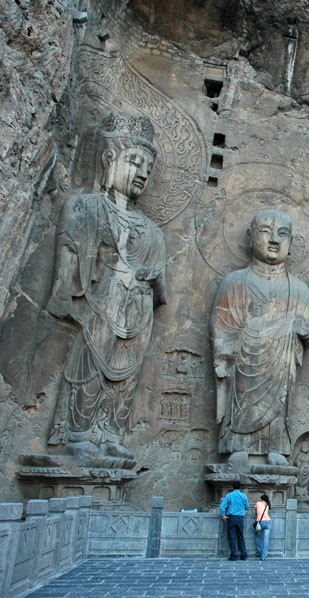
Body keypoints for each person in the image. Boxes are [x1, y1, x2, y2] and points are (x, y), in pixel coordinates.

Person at [47, 112, 167, 462]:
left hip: (138, 312)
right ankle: (79, 433)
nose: (142, 172)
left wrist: (153, 279)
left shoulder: (153, 232)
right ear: (109, 159)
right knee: (90, 369)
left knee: (126, 381)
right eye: (135, 162)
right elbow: (67, 272)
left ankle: (113, 433)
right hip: (101, 306)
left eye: (148, 166)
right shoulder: (84, 208)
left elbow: (164, 294)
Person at [211, 209, 309, 459]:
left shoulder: (298, 289)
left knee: (280, 402)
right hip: (243, 367)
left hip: (279, 369)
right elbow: (221, 328)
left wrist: (303, 330)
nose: (274, 241)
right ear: (251, 237)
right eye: (265, 232)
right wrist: (246, 338)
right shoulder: (234, 282)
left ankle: (276, 448)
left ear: (290, 244)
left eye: (282, 234)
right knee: (240, 397)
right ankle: (237, 447)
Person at [220, 481, 250, 560]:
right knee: (240, 536)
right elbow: (247, 507)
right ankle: (243, 554)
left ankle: (233, 555)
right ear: (240, 487)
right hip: (240, 518)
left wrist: (223, 515)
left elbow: (222, 506)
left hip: (231, 517)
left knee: (232, 537)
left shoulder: (229, 495)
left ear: (232, 487)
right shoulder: (243, 496)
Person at [254, 493, 272, 560]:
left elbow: (256, 512)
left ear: (261, 499)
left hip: (260, 522)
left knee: (257, 537)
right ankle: (264, 555)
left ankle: (259, 551)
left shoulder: (258, 503)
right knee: (265, 539)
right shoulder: (267, 505)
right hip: (268, 521)